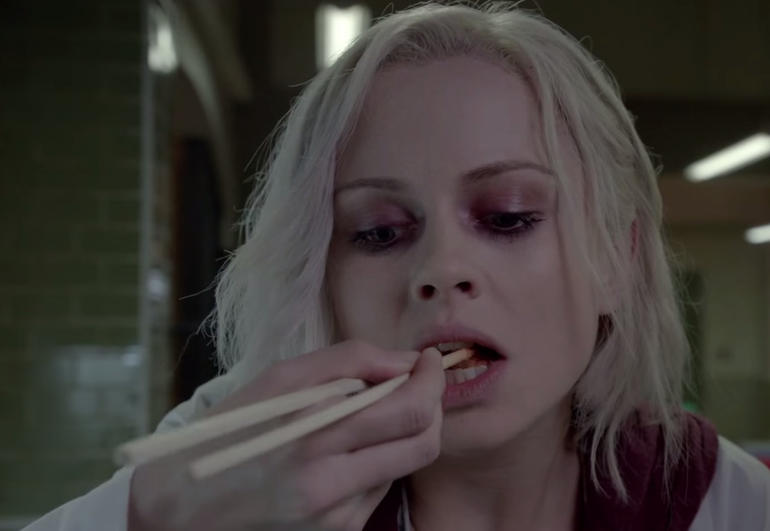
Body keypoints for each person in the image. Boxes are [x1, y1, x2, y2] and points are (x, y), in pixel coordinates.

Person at [25, 2, 770, 530]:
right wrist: (146, 517)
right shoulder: (240, 463)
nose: (442, 269)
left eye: (508, 217)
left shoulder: (720, 503)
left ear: (617, 259)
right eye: (379, 232)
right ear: (323, 277)